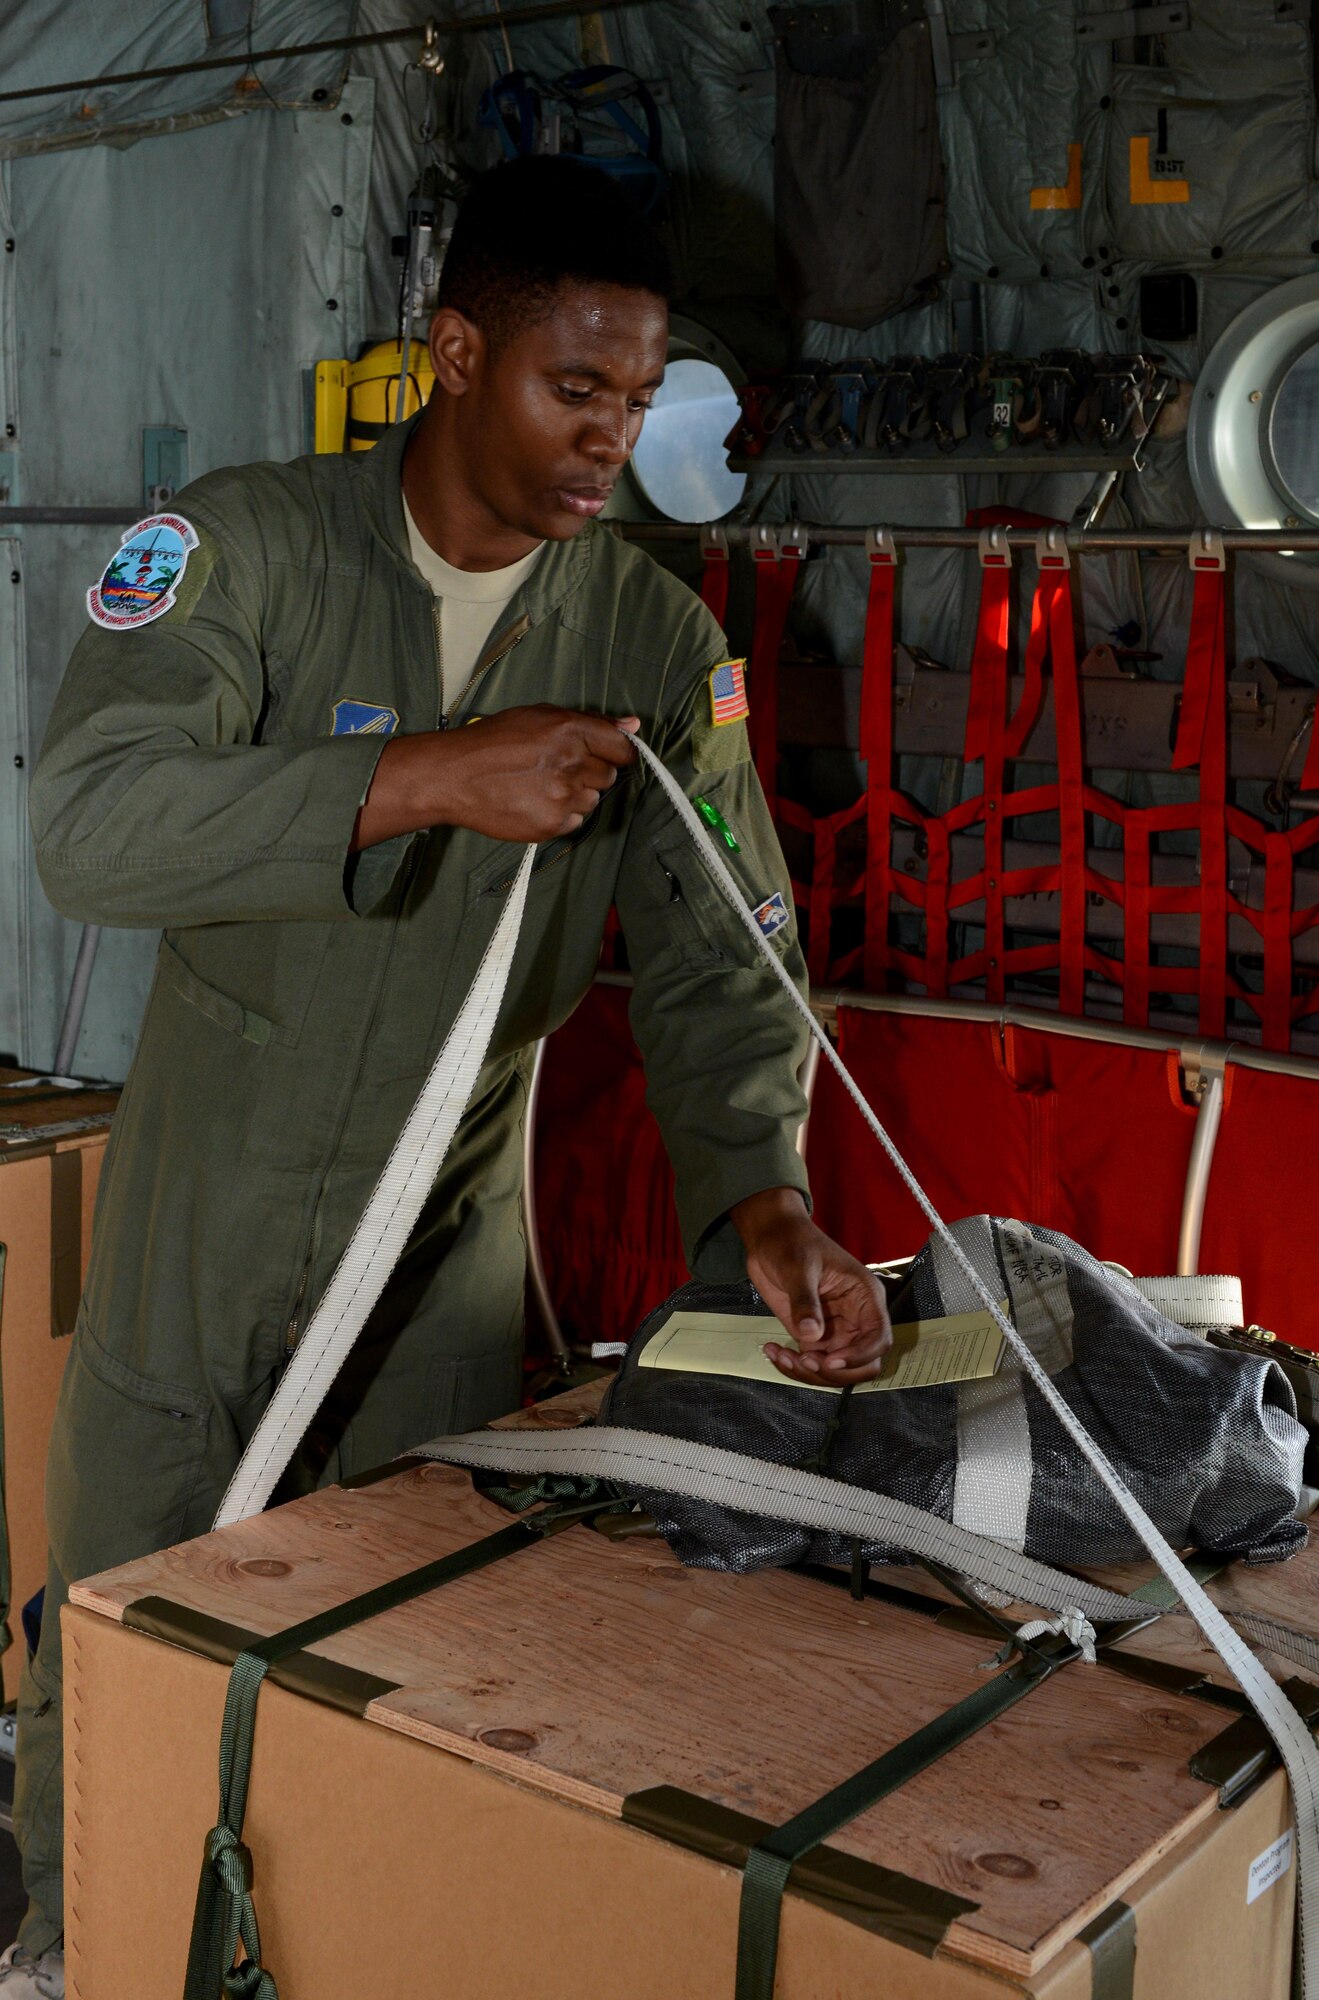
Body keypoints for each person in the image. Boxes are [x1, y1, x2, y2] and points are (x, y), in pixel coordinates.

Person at [7, 155, 890, 1993]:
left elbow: (734, 950)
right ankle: (71, 1953)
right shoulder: (238, 546)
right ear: (454, 350)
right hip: (207, 1221)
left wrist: (771, 1192)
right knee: (122, 1647)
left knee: (397, 1678)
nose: (612, 443)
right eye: (577, 390)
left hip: (448, 1264)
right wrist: (424, 774)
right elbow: (89, 827)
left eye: (641, 403)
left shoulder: (653, 641)